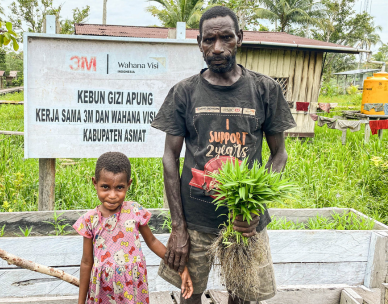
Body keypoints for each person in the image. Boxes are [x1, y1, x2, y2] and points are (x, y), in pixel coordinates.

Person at [150, 6, 297, 304]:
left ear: (239, 38)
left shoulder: (265, 90)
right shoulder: (185, 93)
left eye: (226, 38)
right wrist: (178, 227)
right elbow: (170, 157)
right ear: (199, 43)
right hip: (196, 222)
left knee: (242, 297)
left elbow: (278, 154)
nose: (217, 48)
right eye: (209, 40)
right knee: (189, 296)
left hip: (245, 225)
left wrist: (254, 208)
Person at [74, 152, 193, 304]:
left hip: (133, 288)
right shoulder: (90, 220)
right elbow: (86, 262)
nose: (112, 195)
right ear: (95, 183)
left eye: (119, 188)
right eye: (105, 187)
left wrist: (180, 268)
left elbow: (153, 242)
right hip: (102, 291)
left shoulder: (135, 211)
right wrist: (80, 301)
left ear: (128, 185)